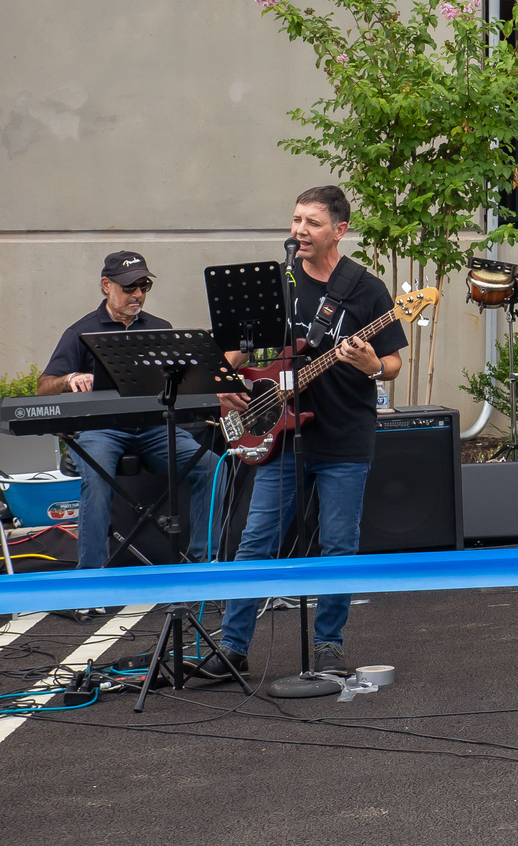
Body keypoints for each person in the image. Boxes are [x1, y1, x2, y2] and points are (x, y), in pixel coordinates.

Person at [196, 186, 406, 681]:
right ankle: (232, 647)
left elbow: (394, 363)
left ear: (339, 229)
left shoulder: (366, 288)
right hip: (279, 437)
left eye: (311, 223)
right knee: (256, 541)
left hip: (344, 436)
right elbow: (239, 351)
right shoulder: (279, 282)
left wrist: (372, 363)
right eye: (295, 220)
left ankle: (329, 644)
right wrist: (224, 385)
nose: (299, 231)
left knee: (338, 545)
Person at [40, 251, 216, 600]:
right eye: (128, 287)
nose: (137, 294)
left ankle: (203, 566)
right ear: (106, 286)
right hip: (103, 429)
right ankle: (91, 584)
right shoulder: (80, 331)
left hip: (154, 427)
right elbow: (44, 386)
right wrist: (70, 378)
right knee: (96, 472)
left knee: (212, 467)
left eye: (144, 286)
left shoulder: (160, 329)